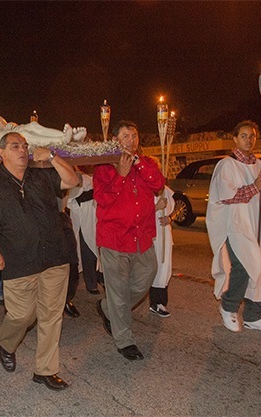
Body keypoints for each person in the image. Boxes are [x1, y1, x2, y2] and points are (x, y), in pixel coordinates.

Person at [0, 132, 79, 391]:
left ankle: (45, 370)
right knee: (22, 315)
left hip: (54, 255)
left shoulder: (41, 173)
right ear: (1, 152)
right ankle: (7, 344)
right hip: (17, 258)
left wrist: (53, 157)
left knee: (51, 316)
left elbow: (72, 180)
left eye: (24, 146)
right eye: (14, 146)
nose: (22, 150)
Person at [93, 120, 165, 361]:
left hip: (141, 237)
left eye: (134, 136)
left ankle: (107, 308)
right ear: (115, 140)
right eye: (125, 136)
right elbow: (102, 200)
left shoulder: (146, 164)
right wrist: (120, 176)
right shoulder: (103, 167)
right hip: (114, 239)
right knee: (118, 292)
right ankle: (124, 340)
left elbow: (158, 184)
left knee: (146, 276)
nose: (131, 140)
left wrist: (138, 166)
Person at [206, 120, 261, 333]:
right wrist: (254, 186)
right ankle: (228, 306)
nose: (249, 140)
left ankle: (253, 315)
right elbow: (226, 196)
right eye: (244, 136)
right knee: (244, 265)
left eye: (252, 136)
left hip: (258, 223)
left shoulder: (260, 165)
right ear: (235, 138)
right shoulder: (226, 165)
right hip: (236, 223)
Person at [0, 101, 87, 150]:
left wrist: (11, 126)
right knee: (23, 137)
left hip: (6, 131)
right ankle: (62, 141)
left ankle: (67, 137)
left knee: (32, 126)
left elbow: (6, 125)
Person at [66, 168, 104, 295]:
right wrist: (93, 193)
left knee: (99, 251)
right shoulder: (75, 179)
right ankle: (91, 283)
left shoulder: (95, 178)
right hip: (84, 222)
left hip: (96, 219)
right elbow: (72, 200)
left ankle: (99, 278)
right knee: (87, 252)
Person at [148, 185, 175, 318]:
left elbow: (176, 209)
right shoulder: (141, 188)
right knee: (146, 269)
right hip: (148, 234)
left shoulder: (165, 190)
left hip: (164, 234)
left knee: (163, 268)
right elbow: (133, 213)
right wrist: (155, 208)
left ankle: (158, 302)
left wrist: (170, 218)